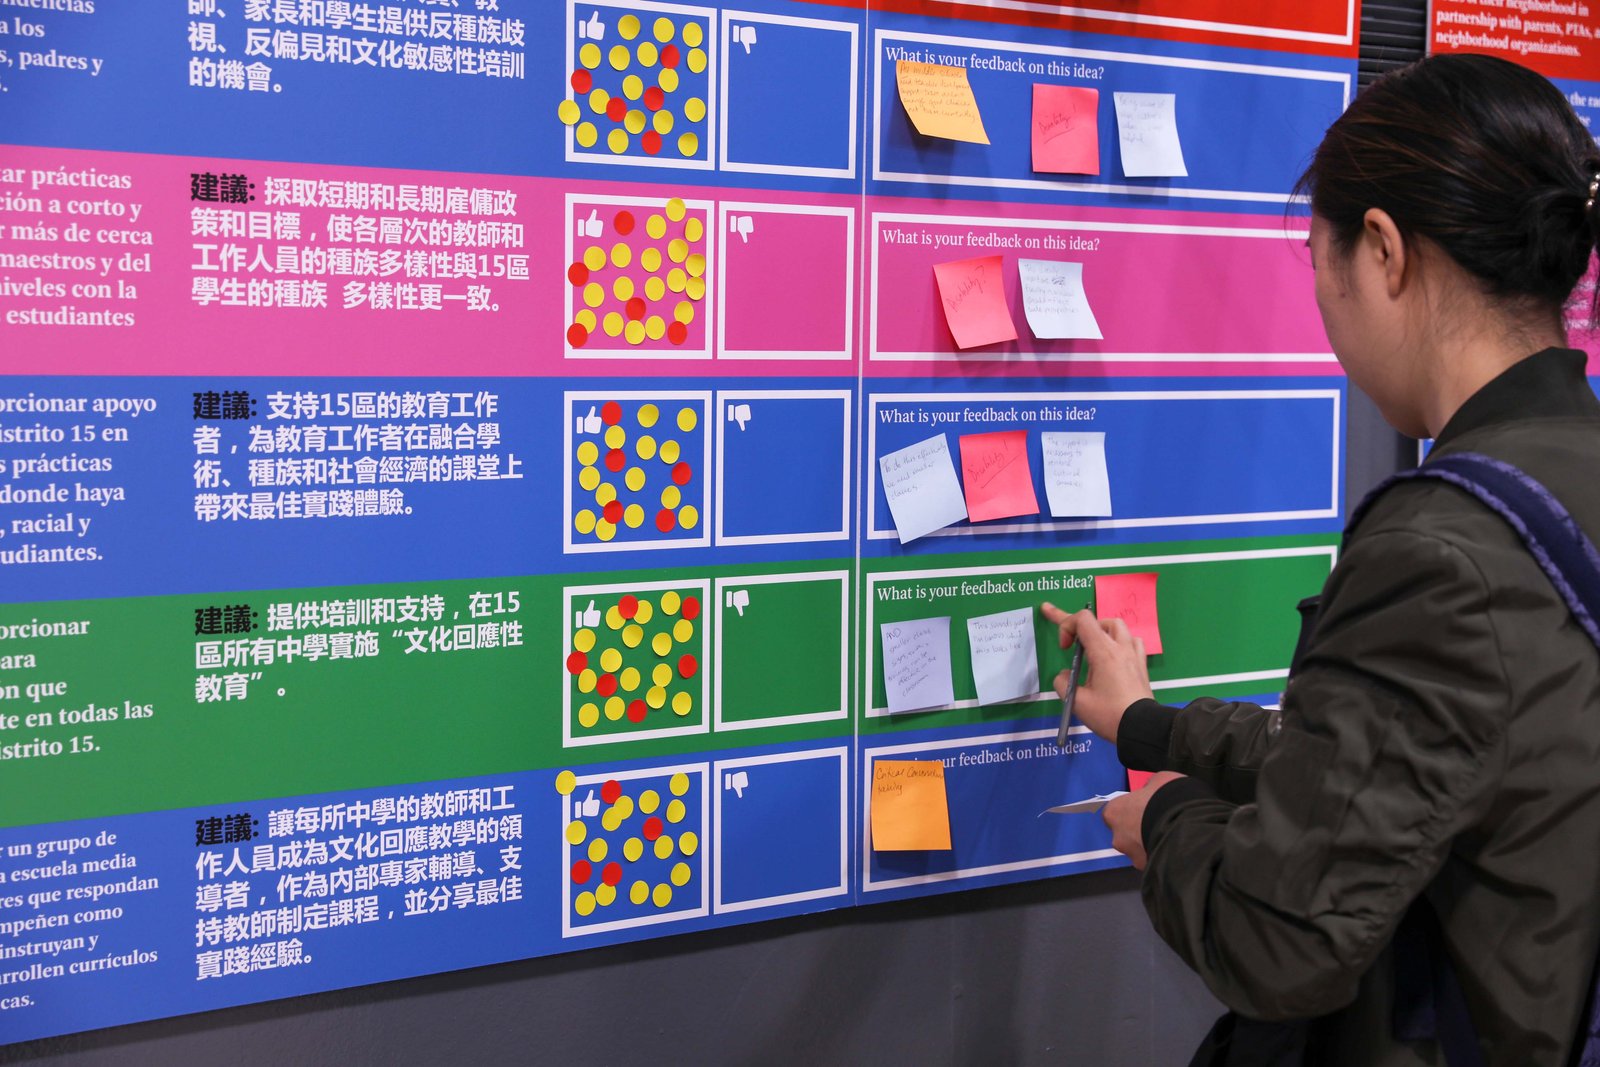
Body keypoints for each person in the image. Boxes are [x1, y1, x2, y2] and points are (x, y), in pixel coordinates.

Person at [1041, 54, 1600, 1066]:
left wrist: (1164, 813)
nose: (1325, 313)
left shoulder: (1439, 551)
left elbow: (1277, 935)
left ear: (1382, 251)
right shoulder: (1567, 480)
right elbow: (1403, 765)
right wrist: (1150, 721)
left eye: (1318, 263)